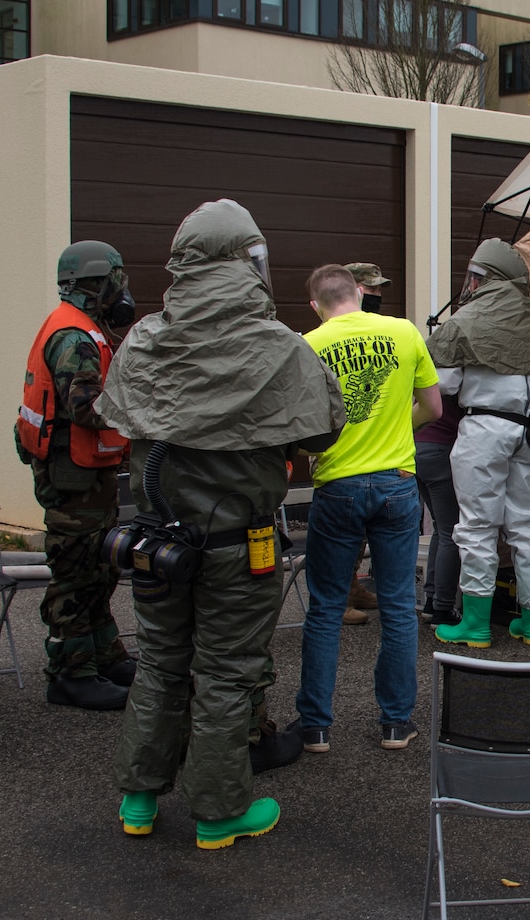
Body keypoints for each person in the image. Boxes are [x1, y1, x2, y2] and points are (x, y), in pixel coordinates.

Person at [99, 199, 345, 850]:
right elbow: (326, 427)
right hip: (242, 545)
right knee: (227, 671)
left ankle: (139, 798)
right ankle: (218, 811)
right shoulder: (276, 347)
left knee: (158, 662)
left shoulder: (145, 339)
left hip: (156, 542)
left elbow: (115, 418)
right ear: (247, 264)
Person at [295, 263, 441, 752]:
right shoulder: (403, 331)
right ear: (359, 293)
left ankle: (315, 727)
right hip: (398, 482)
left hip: (337, 485)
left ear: (316, 306)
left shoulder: (309, 343)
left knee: (326, 607)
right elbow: (434, 408)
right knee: (399, 606)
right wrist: (399, 430)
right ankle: (397, 724)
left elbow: (296, 424)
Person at [428, 239, 530, 648]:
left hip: (484, 431)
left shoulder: (468, 317)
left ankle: (477, 625)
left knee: (478, 526)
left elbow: (442, 384)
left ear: (480, 277)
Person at [16, 241, 139, 711]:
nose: (122, 287)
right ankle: (70, 672)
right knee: (75, 572)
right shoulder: (74, 336)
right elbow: (86, 407)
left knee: (99, 568)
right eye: (116, 277)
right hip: (73, 479)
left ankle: (103, 655)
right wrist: (143, 408)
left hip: (88, 475)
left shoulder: (84, 327)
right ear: (99, 282)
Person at [339, 262, 394, 626]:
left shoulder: (381, 331)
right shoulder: (335, 330)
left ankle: (354, 587)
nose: (376, 296)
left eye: (378, 289)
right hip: (342, 443)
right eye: (369, 289)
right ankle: (336, 597)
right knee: (344, 526)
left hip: (374, 442)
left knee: (362, 528)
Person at [414, 393, 465, 628]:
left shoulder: (431, 368)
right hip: (440, 449)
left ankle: (431, 601)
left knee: (440, 528)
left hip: (417, 448)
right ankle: (443, 609)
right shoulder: (455, 373)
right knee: (451, 532)